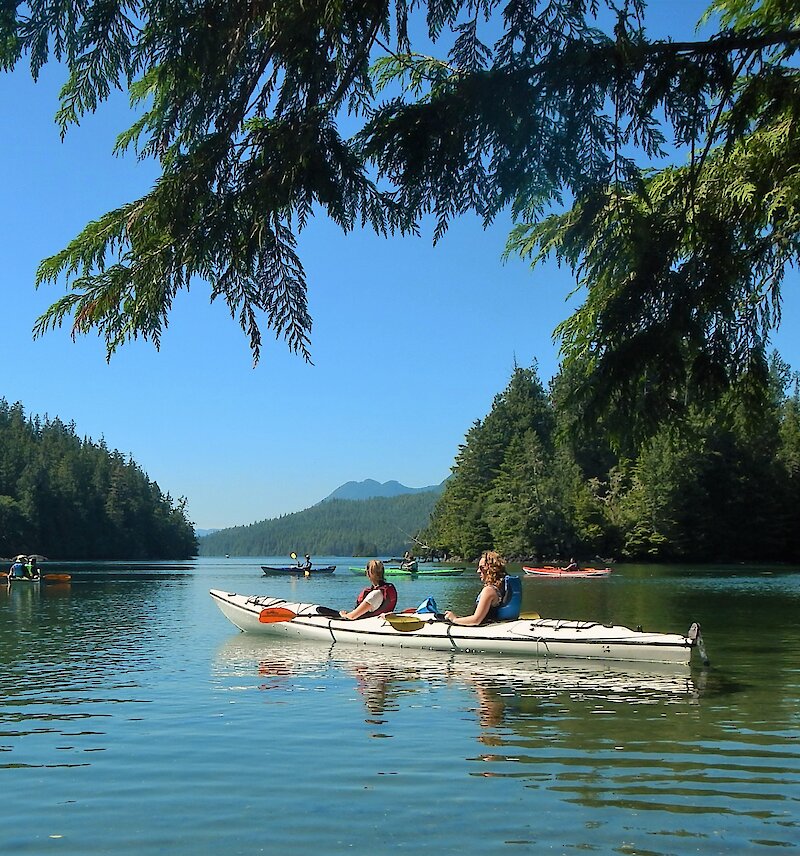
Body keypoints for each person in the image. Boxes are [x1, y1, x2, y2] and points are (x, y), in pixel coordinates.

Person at [444, 550, 507, 626]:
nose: (478, 571)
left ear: (491, 569)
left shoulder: (489, 590)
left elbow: (476, 620)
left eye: (481, 567)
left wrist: (454, 619)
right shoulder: (502, 586)